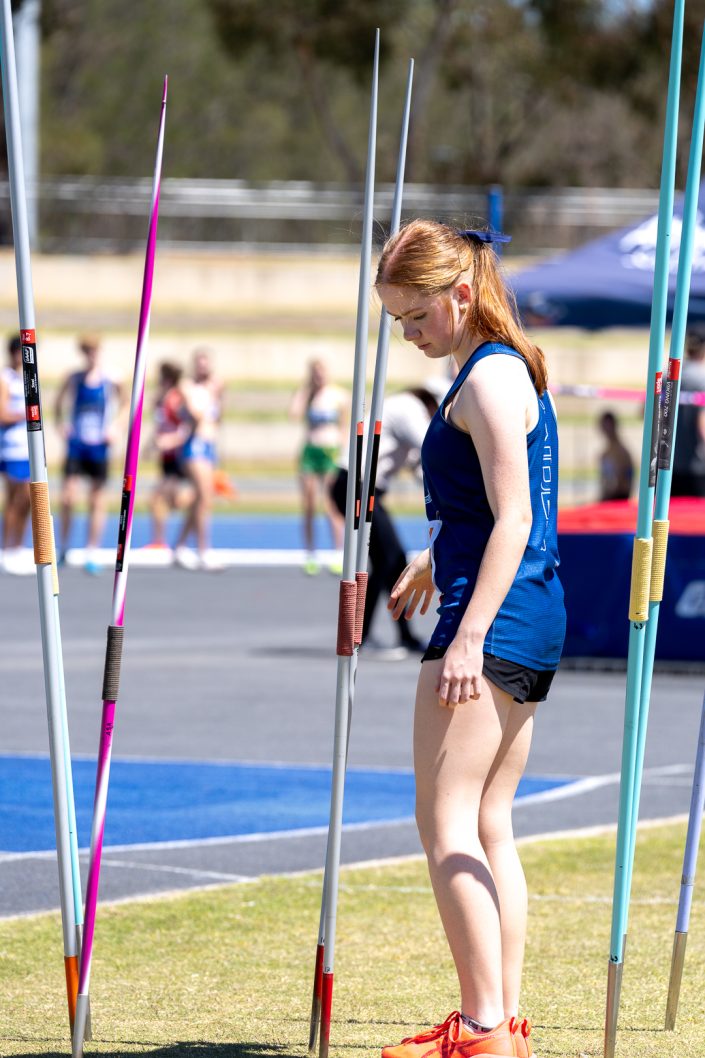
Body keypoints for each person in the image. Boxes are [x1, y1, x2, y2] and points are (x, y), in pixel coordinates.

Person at [375, 220, 566, 1058]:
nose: (409, 335)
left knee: (445, 822)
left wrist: (467, 637)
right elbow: (493, 508)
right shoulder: (502, 369)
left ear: (460, 294)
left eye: (417, 316)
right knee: (489, 821)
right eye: (396, 321)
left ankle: (483, 1026)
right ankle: (501, 1023)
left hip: (495, 619)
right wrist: (432, 555)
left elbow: (515, 516)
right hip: (528, 611)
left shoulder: (487, 376)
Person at [330, 379, 448, 657]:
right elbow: (430, 447)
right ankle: (362, 634)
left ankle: (396, 635)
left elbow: (419, 465)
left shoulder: (404, 409)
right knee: (388, 559)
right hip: (355, 486)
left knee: (390, 561)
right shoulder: (409, 408)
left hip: (359, 487)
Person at [55, 334, 124, 574]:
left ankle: (91, 550)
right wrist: (61, 424)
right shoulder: (74, 377)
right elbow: (58, 403)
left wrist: (116, 427)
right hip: (77, 443)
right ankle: (64, 547)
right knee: (68, 496)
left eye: (95, 351)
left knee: (96, 498)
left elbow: (126, 403)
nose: (92, 356)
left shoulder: (111, 378)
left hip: (99, 445)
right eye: (87, 352)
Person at [290, 358, 345, 575]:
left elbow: (345, 425)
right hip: (310, 452)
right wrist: (304, 392)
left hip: (330, 452)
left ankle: (338, 552)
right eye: (314, 372)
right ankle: (310, 552)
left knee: (331, 504)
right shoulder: (308, 395)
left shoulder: (337, 395)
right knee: (309, 504)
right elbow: (294, 414)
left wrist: (343, 451)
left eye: (321, 371)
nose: (318, 375)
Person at [173, 348, 225, 570]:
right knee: (205, 496)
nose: (203, 367)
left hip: (209, 446)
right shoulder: (188, 387)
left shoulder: (216, 386)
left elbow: (217, 417)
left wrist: (217, 394)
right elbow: (196, 415)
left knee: (199, 499)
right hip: (194, 445)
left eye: (206, 362)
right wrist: (211, 393)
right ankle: (204, 549)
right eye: (199, 362)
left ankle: (180, 546)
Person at [148, 361, 193, 549]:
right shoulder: (162, 398)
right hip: (165, 458)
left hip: (177, 457)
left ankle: (159, 542)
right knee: (169, 500)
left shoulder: (176, 399)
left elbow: (187, 428)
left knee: (158, 499)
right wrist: (150, 445)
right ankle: (159, 541)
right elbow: (159, 426)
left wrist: (170, 441)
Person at [0, 334, 32, 574]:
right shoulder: (5, 378)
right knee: (14, 498)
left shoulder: (27, 377)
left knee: (28, 499)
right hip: (10, 447)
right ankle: (6, 548)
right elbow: (2, 414)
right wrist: (27, 414)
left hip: (26, 447)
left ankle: (18, 546)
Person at [671, 328, 705, 497]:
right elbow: (702, 424)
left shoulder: (669, 376)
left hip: (668, 465)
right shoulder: (702, 379)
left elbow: (645, 413)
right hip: (696, 466)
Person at [597, 410, 634, 501]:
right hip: (610, 499)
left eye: (608, 426)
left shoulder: (621, 452)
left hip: (617, 499)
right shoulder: (606, 453)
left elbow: (624, 484)